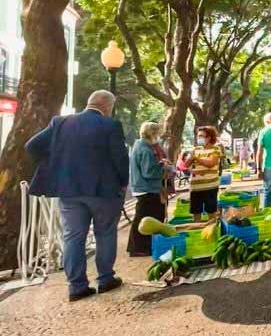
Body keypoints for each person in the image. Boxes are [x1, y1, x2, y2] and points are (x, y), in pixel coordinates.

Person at [25, 90, 128, 302]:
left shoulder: (60, 122)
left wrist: (55, 163)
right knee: (105, 233)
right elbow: (120, 158)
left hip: (69, 190)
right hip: (103, 191)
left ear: (90, 102)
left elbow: (32, 146)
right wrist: (123, 182)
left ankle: (77, 286)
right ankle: (105, 279)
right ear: (108, 107)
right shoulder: (110, 125)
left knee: (73, 236)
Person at [127, 122, 168, 257]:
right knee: (145, 220)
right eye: (158, 133)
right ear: (152, 134)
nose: (159, 136)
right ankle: (139, 248)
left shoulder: (139, 145)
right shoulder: (145, 150)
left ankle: (142, 247)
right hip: (147, 188)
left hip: (143, 188)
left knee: (144, 218)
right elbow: (149, 172)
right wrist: (162, 167)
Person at [183, 125, 222, 222]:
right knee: (196, 211)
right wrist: (190, 158)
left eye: (201, 136)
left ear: (209, 138)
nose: (198, 138)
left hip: (210, 186)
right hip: (195, 187)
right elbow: (186, 164)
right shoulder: (195, 150)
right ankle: (197, 227)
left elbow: (211, 163)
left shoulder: (216, 149)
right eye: (198, 136)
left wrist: (196, 158)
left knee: (211, 211)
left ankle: (212, 227)